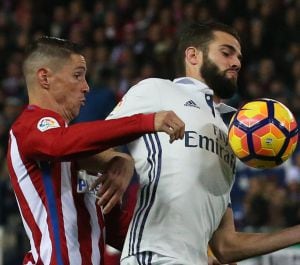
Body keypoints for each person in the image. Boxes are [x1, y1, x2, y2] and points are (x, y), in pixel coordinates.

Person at [105, 21, 300, 265]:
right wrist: (119, 159)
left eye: (238, 57)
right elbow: (94, 145)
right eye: (226, 53)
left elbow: (226, 245)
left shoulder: (229, 134)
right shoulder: (157, 90)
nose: (237, 63)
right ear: (193, 55)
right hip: (153, 256)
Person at [6, 36, 185, 265]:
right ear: (45, 77)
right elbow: (58, 143)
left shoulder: (78, 151)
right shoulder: (28, 126)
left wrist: (181, 252)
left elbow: (117, 233)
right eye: (77, 75)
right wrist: (147, 122)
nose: (86, 87)